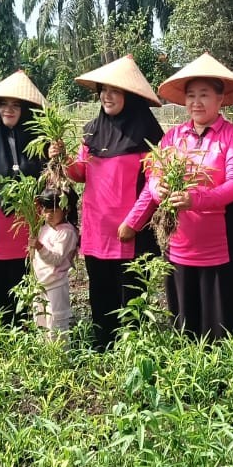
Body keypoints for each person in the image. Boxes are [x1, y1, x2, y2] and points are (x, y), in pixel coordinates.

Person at [124, 53, 233, 339]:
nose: (196, 102)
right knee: (185, 324)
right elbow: (154, 175)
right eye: (191, 95)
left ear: (220, 99)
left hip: (223, 248)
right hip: (180, 247)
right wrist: (160, 192)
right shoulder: (173, 136)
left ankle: (221, 379)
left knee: (222, 327)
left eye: (204, 95)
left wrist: (195, 199)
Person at [57, 55, 164, 349]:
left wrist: (134, 221)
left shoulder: (149, 134)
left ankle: (132, 353)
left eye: (114, 90)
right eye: (103, 90)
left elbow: (155, 183)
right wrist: (63, 159)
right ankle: (103, 348)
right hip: (96, 228)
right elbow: (81, 173)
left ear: (130, 96)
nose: (107, 96)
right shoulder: (92, 130)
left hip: (129, 230)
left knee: (130, 297)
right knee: (100, 294)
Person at [0, 70, 47, 319]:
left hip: (27, 234)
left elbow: (53, 183)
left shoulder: (40, 142)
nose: (9, 110)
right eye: (4, 104)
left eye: (16, 105)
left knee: (25, 305)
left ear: (26, 110)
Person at [32, 188, 80, 338]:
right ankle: (45, 357)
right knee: (40, 323)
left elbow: (56, 259)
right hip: (40, 284)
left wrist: (39, 246)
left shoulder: (67, 232)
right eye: (45, 210)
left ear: (66, 209)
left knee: (56, 326)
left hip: (55, 285)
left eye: (53, 210)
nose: (48, 215)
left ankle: (61, 358)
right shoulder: (45, 228)